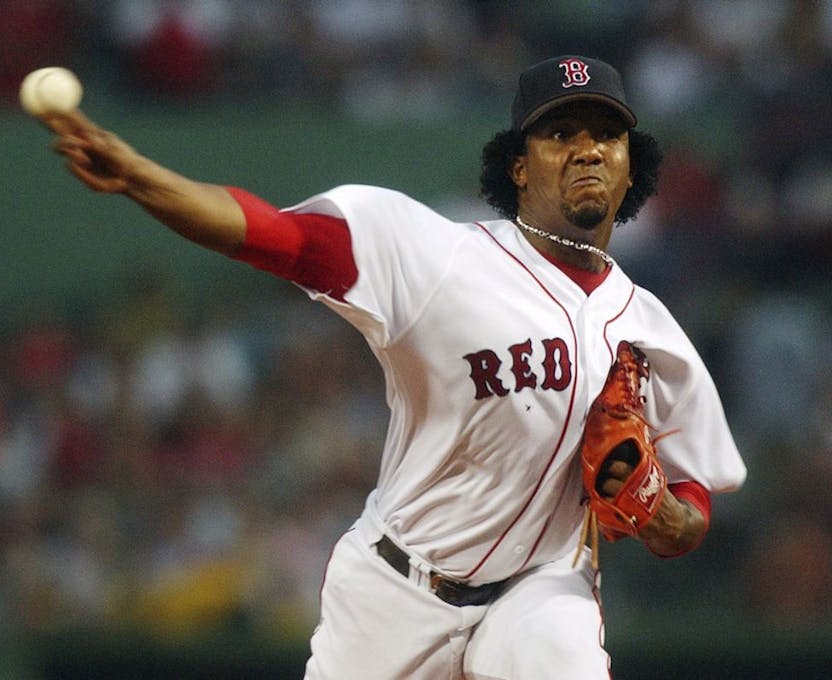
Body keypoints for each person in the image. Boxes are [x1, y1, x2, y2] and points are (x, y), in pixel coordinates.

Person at [43, 55, 746, 679]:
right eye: (561, 134)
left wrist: (662, 517)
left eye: (607, 134)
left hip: (543, 589)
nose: (588, 149)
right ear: (518, 164)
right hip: (399, 588)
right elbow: (273, 236)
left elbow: (690, 507)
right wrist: (142, 179)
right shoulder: (439, 255)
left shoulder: (652, 329)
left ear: (632, 164)